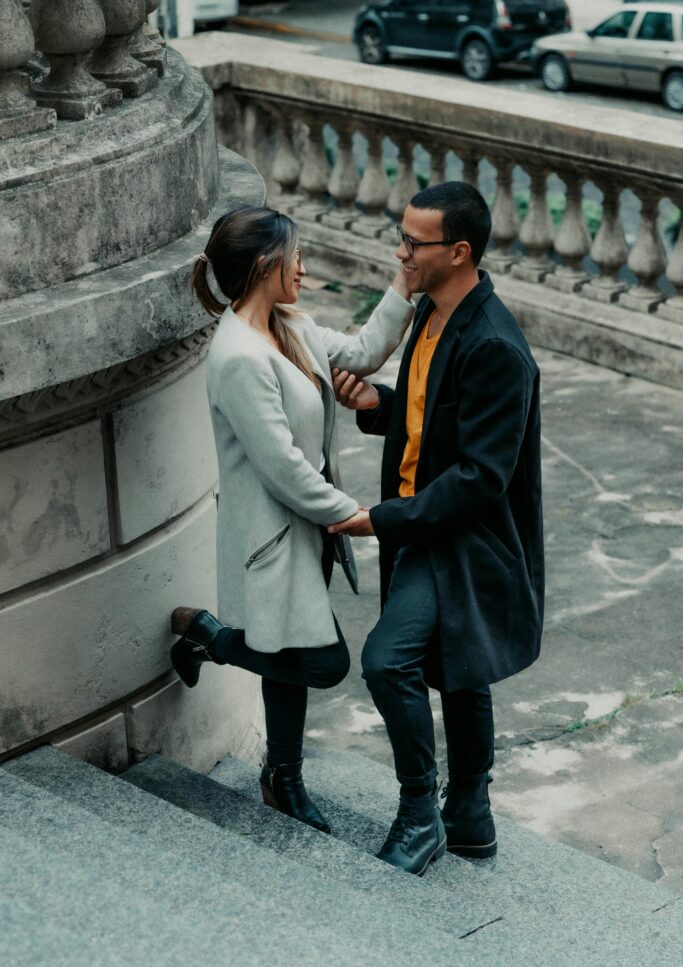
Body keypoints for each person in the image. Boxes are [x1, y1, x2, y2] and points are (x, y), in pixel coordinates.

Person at [169, 205, 415, 834]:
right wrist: (356, 516)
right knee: (323, 662)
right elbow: (281, 467)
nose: (303, 267)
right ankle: (212, 636)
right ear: (262, 265)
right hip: (272, 538)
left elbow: (360, 351)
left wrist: (404, 286)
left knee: (287, 650)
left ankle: (282, 777)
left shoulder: (289, 326)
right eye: (294, 257)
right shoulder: (239, 357)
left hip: (305, 533)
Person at [329, 181, 544, 875]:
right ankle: (470, 815)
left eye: (412, 243)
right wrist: (376, 405)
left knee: (389, 663)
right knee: (459, 673)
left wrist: (377, 522)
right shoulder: (429, 313)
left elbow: (481, 478)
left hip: (459, 541)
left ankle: (421, 813)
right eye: (401, 237)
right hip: (425, 527)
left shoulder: (495, 348)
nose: (400, 254)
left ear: (458, 251)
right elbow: (432, 419)